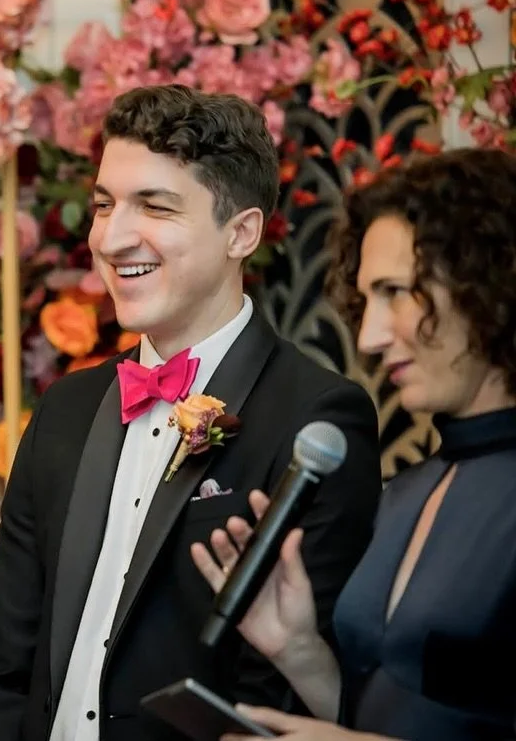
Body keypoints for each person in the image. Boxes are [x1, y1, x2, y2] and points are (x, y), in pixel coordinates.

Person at [0, 84, 384, 741]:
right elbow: (4, 660)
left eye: (154, 206)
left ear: (240, 232)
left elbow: (290, 684)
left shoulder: (316, 418)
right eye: (104, 205)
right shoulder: (68, 407)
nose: (112, 237)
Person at [193, 147, 516, 741]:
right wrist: (297, 650)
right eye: (366, 301)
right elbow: (384, 713)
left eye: (396, 291)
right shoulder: (406, 492)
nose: (369, 335)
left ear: (487, 278)